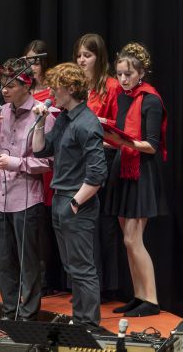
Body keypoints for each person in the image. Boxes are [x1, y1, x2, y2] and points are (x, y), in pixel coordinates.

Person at [32, 62, 106, 331]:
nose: (51, 91)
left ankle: (89, 325)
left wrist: (75, 203)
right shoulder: (63, 118)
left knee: (83, 267)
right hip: (60, 199)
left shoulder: (87, 123)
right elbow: (40, 150)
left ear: (72, 89)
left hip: (77, 202)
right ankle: (81, 320)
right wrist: (40, 121)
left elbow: (97, 174)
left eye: (56, 86)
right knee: (71, 266)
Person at [0, 59, 54, 323]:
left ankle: (28, 316)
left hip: (26, 198)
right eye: (3, 85)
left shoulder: (43, 114)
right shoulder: (3, 112)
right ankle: (9, 312)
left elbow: (48, 162)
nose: (4, 90)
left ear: (27, 85)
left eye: (11, 85)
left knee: (29, 262)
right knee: (3, 261)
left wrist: (15, 163)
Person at [104, 43, 167, 317]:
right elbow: (120, 136)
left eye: (128, 74)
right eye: (119, 74)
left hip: (141, 170)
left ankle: (151, 300)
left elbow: (152, 145)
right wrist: (105, 136)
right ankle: (138, 295)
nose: (123, 79)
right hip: (123, 167)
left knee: (134, 239)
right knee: (127, 240)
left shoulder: (151, 99)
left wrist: (121, 140)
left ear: (141, 73)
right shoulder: (122, 96)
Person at [74, 33, 124, 298]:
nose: (82, 60)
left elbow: (121, 129)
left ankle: (106, 286)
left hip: (104, 158)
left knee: (103, 223)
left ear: (99, 57)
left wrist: (100, 124)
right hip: (78, 160)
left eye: (88, 55)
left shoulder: (112, 86)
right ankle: (85, 285)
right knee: (82, 225)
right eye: (79, 55)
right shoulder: (78, 86)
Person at [23, 39, 64, 295]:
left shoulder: (52, 92)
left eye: (36, 61)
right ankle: (35, 275)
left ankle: (50, 276)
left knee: (48, 222)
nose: (31, 66)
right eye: (27, 61)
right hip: (24, 158)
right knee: (34, 223)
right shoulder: (23, 91)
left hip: (48, 160)